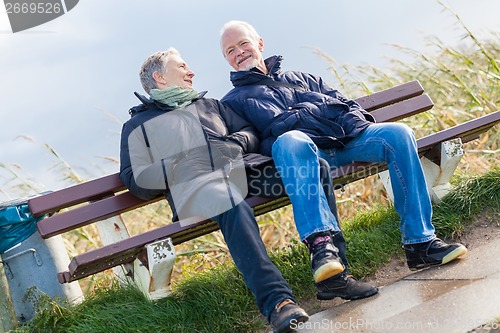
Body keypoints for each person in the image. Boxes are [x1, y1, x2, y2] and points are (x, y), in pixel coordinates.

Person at [219, 20, 468, 297]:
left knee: (398, 134)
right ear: (227, 60)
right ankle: (322, 249)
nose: (239, 52)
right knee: (290, 139)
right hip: (304, 157)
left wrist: (344, 125)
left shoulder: (303, 78)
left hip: (344, 143)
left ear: (260, 44)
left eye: (243, 43)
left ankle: (420, 243)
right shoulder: (233, 102)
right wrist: (298, 123)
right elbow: (254, 145)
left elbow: (348, 105)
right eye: (230, 50)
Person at [119, 47, 316, 333]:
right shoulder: (137, 126)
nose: (191, 71)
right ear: (160, 78)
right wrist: (179, 164)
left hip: (244, 172)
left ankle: (332, 270)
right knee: (229, 200)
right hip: (197, 190)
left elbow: (251, 132)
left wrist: (233, 144)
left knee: (313, 170)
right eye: (182, 66)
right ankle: (278, 303)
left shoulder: (211, 105)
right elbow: (134, 179)